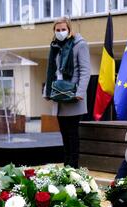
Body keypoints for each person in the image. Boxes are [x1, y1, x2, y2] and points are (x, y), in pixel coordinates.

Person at [43, 17, 91, 168]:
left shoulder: (80, 45)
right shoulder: (55, 47)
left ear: (69, 30)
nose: (60, 32)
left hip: (73, 96)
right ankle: (66, 165)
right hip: (59, 96)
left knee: (72, 134)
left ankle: (73, 167)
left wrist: (80, 91)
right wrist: (47, 92)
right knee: (64, 135)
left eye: (63, 29)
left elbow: (85, 71)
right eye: (57, 30)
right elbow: (51, 70)